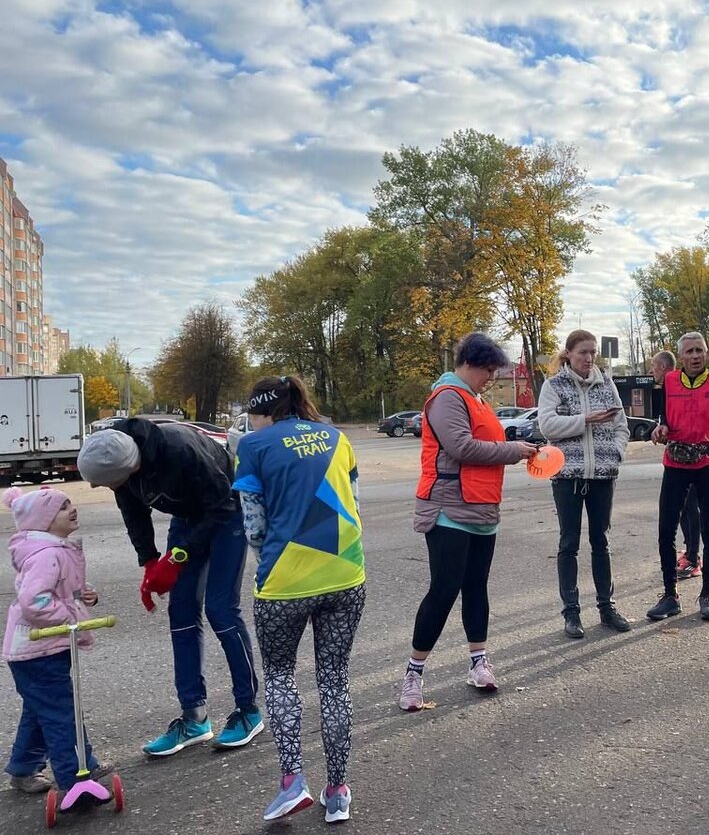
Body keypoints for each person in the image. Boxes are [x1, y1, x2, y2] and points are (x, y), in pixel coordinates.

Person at [76, 420, 261, 756]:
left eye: (107, 483)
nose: (104, 488)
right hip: (188, 517)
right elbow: (134, 512)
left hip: (226, 513)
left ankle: (248, 711)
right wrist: (149, 562)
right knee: (181, 613)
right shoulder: (118, 459)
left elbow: (220, 506)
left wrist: (177, 557)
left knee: (221, 610)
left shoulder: (179, 450)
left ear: (130, 466)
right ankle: (194, 717)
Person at [231, 376, 366, 824]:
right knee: (334, 679)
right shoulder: (337, 437)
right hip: (346, 574)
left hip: (285, 581)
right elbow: (355, 503)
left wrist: (271, 561)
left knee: (280, 676)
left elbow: (254, 526)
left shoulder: (254, 446)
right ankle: (339, 790)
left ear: (261, 410)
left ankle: (293, 782)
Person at [399, 333, 537, 712]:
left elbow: (484, 442)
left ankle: (479, 662)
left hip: (481, 510)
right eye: (488, 371)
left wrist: (518, 447)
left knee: (476, 588)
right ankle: (414, 674)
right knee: (444, 591)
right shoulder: (447, 398)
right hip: (448, 509)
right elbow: (462, 447)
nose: (491, 378)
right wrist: (513, 450)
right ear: (470, 364)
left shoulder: (475, 399)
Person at [3, 487, 112, 795]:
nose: (72, 509)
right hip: (37, 647)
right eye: (62, 508)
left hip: (44, 646)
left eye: (70, 503)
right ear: (44, 521)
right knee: (62, 712)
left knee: (43, 709)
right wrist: (71, 615)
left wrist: (83, 595)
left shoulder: (57, 549)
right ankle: (76, 777)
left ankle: (24, 767)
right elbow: (35, 602)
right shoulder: (46, 554)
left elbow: (61, 589)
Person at [538, 330, 632, 639]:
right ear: (569, 354)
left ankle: (607, 608)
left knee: (601, 542)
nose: (589, 358)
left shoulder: (607, 384)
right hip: (567, 477)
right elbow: (548, 426)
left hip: (603, 476)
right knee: (569, 543)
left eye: (592, 353)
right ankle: (571, 613)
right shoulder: (554, 386)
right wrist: (586, 419)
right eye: (583, 353)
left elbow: (621, 426)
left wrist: (616, 454)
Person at [646, 332, 709, 623]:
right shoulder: (670, 381)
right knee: (666, 530)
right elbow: (665, 419)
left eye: (699, 350)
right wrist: (660, 429)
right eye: (689, 351)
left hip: (708, 462)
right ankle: (670, 596)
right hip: (675, 463)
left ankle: (707, 595)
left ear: (707, 352)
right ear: (681, 356)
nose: (695, 356)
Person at [650, 350, 702, 580]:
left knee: (690, 509)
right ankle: (690, 552)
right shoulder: (667, 389)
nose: (651, 371)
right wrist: (663, 431)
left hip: (693, 458)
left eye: (653, 366)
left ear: (662, 367)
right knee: (680, 510)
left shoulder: (683, 386)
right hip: (676, 458)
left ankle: (693, 558)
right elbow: (669, 421)